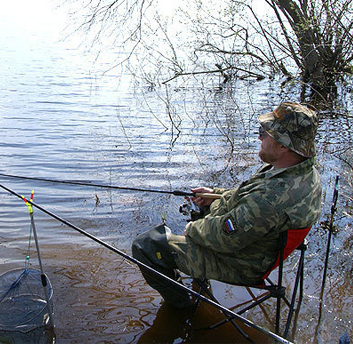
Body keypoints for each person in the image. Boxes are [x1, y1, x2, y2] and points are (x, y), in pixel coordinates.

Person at [132, 101, 322, 308]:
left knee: (146, 246)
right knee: (201, 207)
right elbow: (248, 198)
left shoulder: (272, 197)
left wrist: (193, 229)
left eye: (264, 132)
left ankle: (181, 308)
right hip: (259, 246)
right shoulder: (300, 171)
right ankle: (198, 280)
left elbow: (226, 238)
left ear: (284, 144)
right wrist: (215, 194)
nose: (259, 137)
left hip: (242, 264)